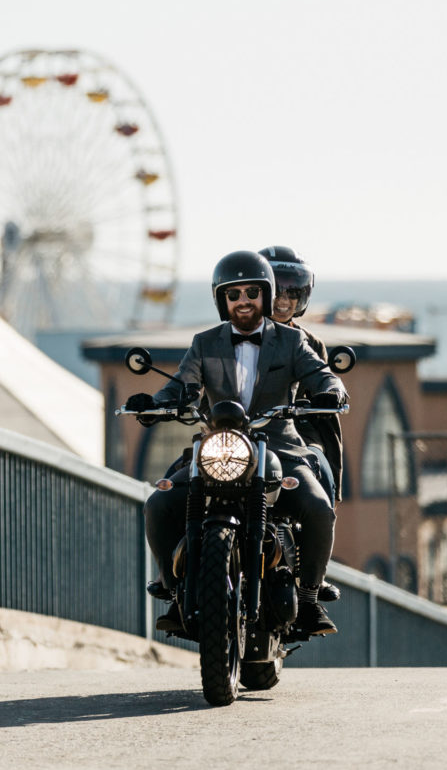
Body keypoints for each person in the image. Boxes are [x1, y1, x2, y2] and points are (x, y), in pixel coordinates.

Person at [127, 250, 348, 636]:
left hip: (280, 447)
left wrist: (332, 391)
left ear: (265, 294)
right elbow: (183, 385)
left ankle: (309, 599)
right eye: (234, 295)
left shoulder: (293, 342)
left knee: (317, 506)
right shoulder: (204, 343)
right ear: (221, 300)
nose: (243, 301)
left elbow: (322, 376)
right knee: (159, 503)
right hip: (220, 446)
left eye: (251, 293)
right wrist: (155, 403)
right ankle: (175, 591)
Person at [260, 245, 344, 603]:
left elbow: (322, 382)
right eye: (278, 289)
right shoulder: (222, 339)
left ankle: (313, 578)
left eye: (294, 291)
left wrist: (328, 394)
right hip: (238, 435)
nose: (284, 299)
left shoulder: (309, 343)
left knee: (320, 480)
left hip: (297, 432)